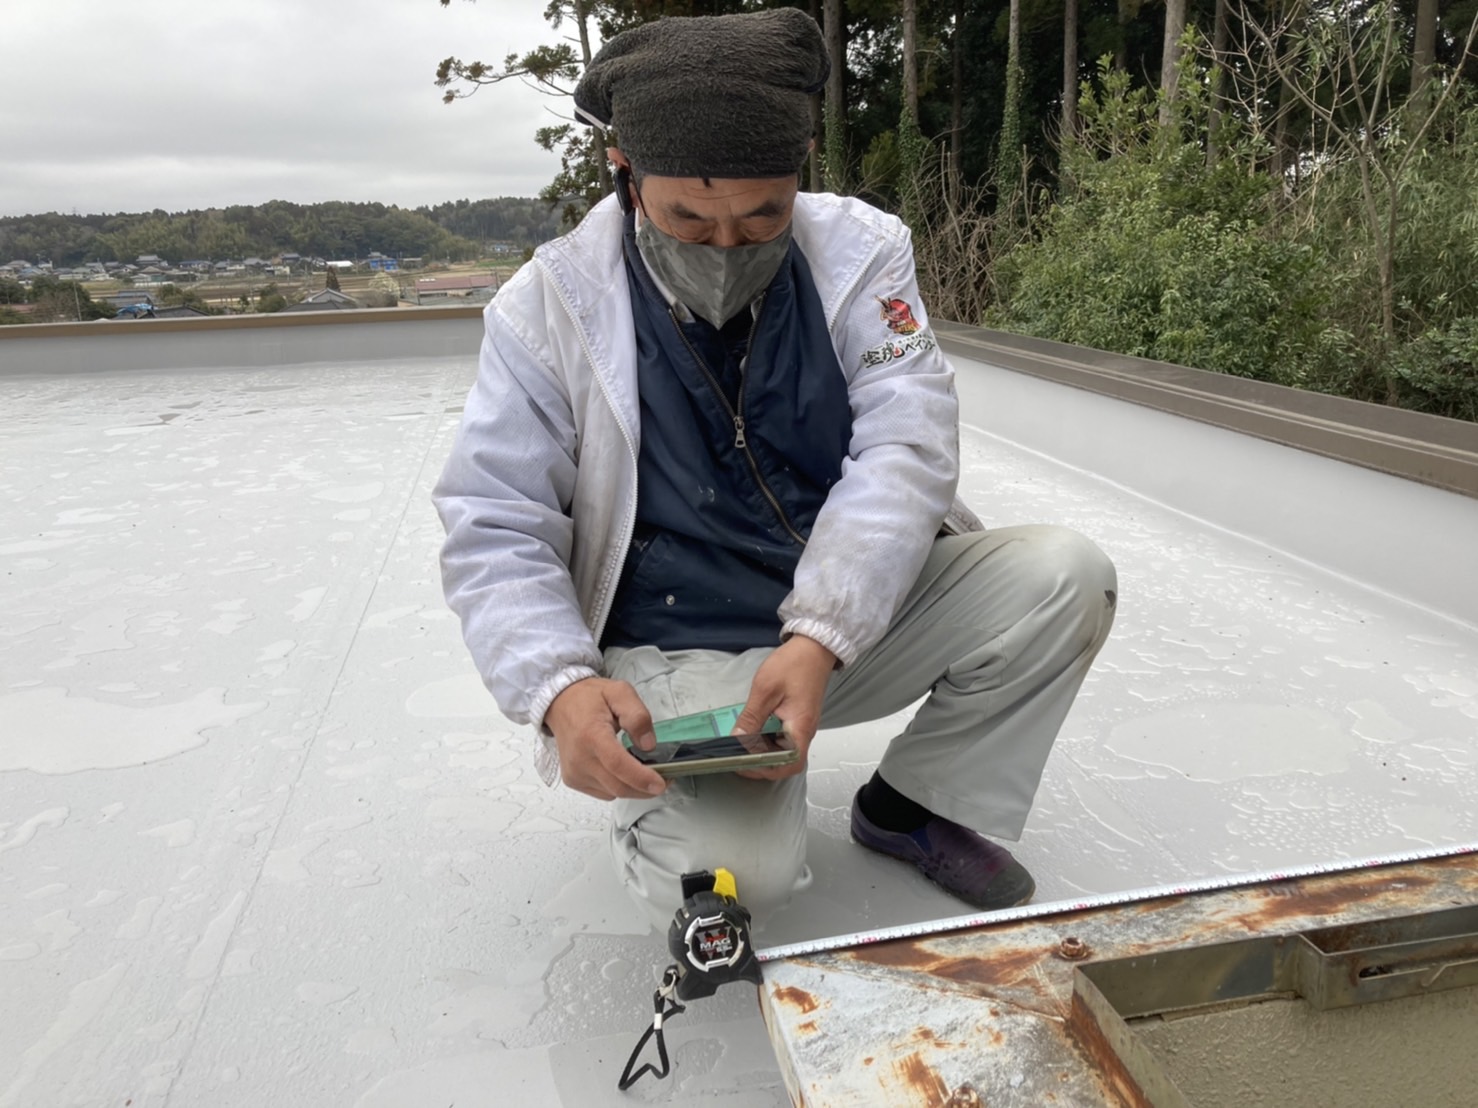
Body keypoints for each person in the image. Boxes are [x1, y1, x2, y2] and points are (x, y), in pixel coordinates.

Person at [433, 8, 1116, 930]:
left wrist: (820, 635)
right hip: (679, 650)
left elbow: (907, 443)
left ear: (802, 170)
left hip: (843, 621)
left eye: (763, 214)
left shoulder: (865, 254)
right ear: (624, 171)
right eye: (688, 217)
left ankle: (912, 804)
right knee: (737, 875)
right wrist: (556, 686)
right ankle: (676, 813)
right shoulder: (545, 306)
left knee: (1064, 577)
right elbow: (495, 516)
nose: (726, 247)